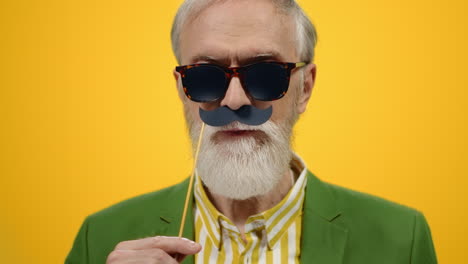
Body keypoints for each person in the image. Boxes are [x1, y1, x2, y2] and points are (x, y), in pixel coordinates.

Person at [65, 0, 438, 263]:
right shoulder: (100, 238)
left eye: (265, 73)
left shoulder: (400, 238)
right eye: (206, 76)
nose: (234, 99)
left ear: (304, 88)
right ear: (182, 89)